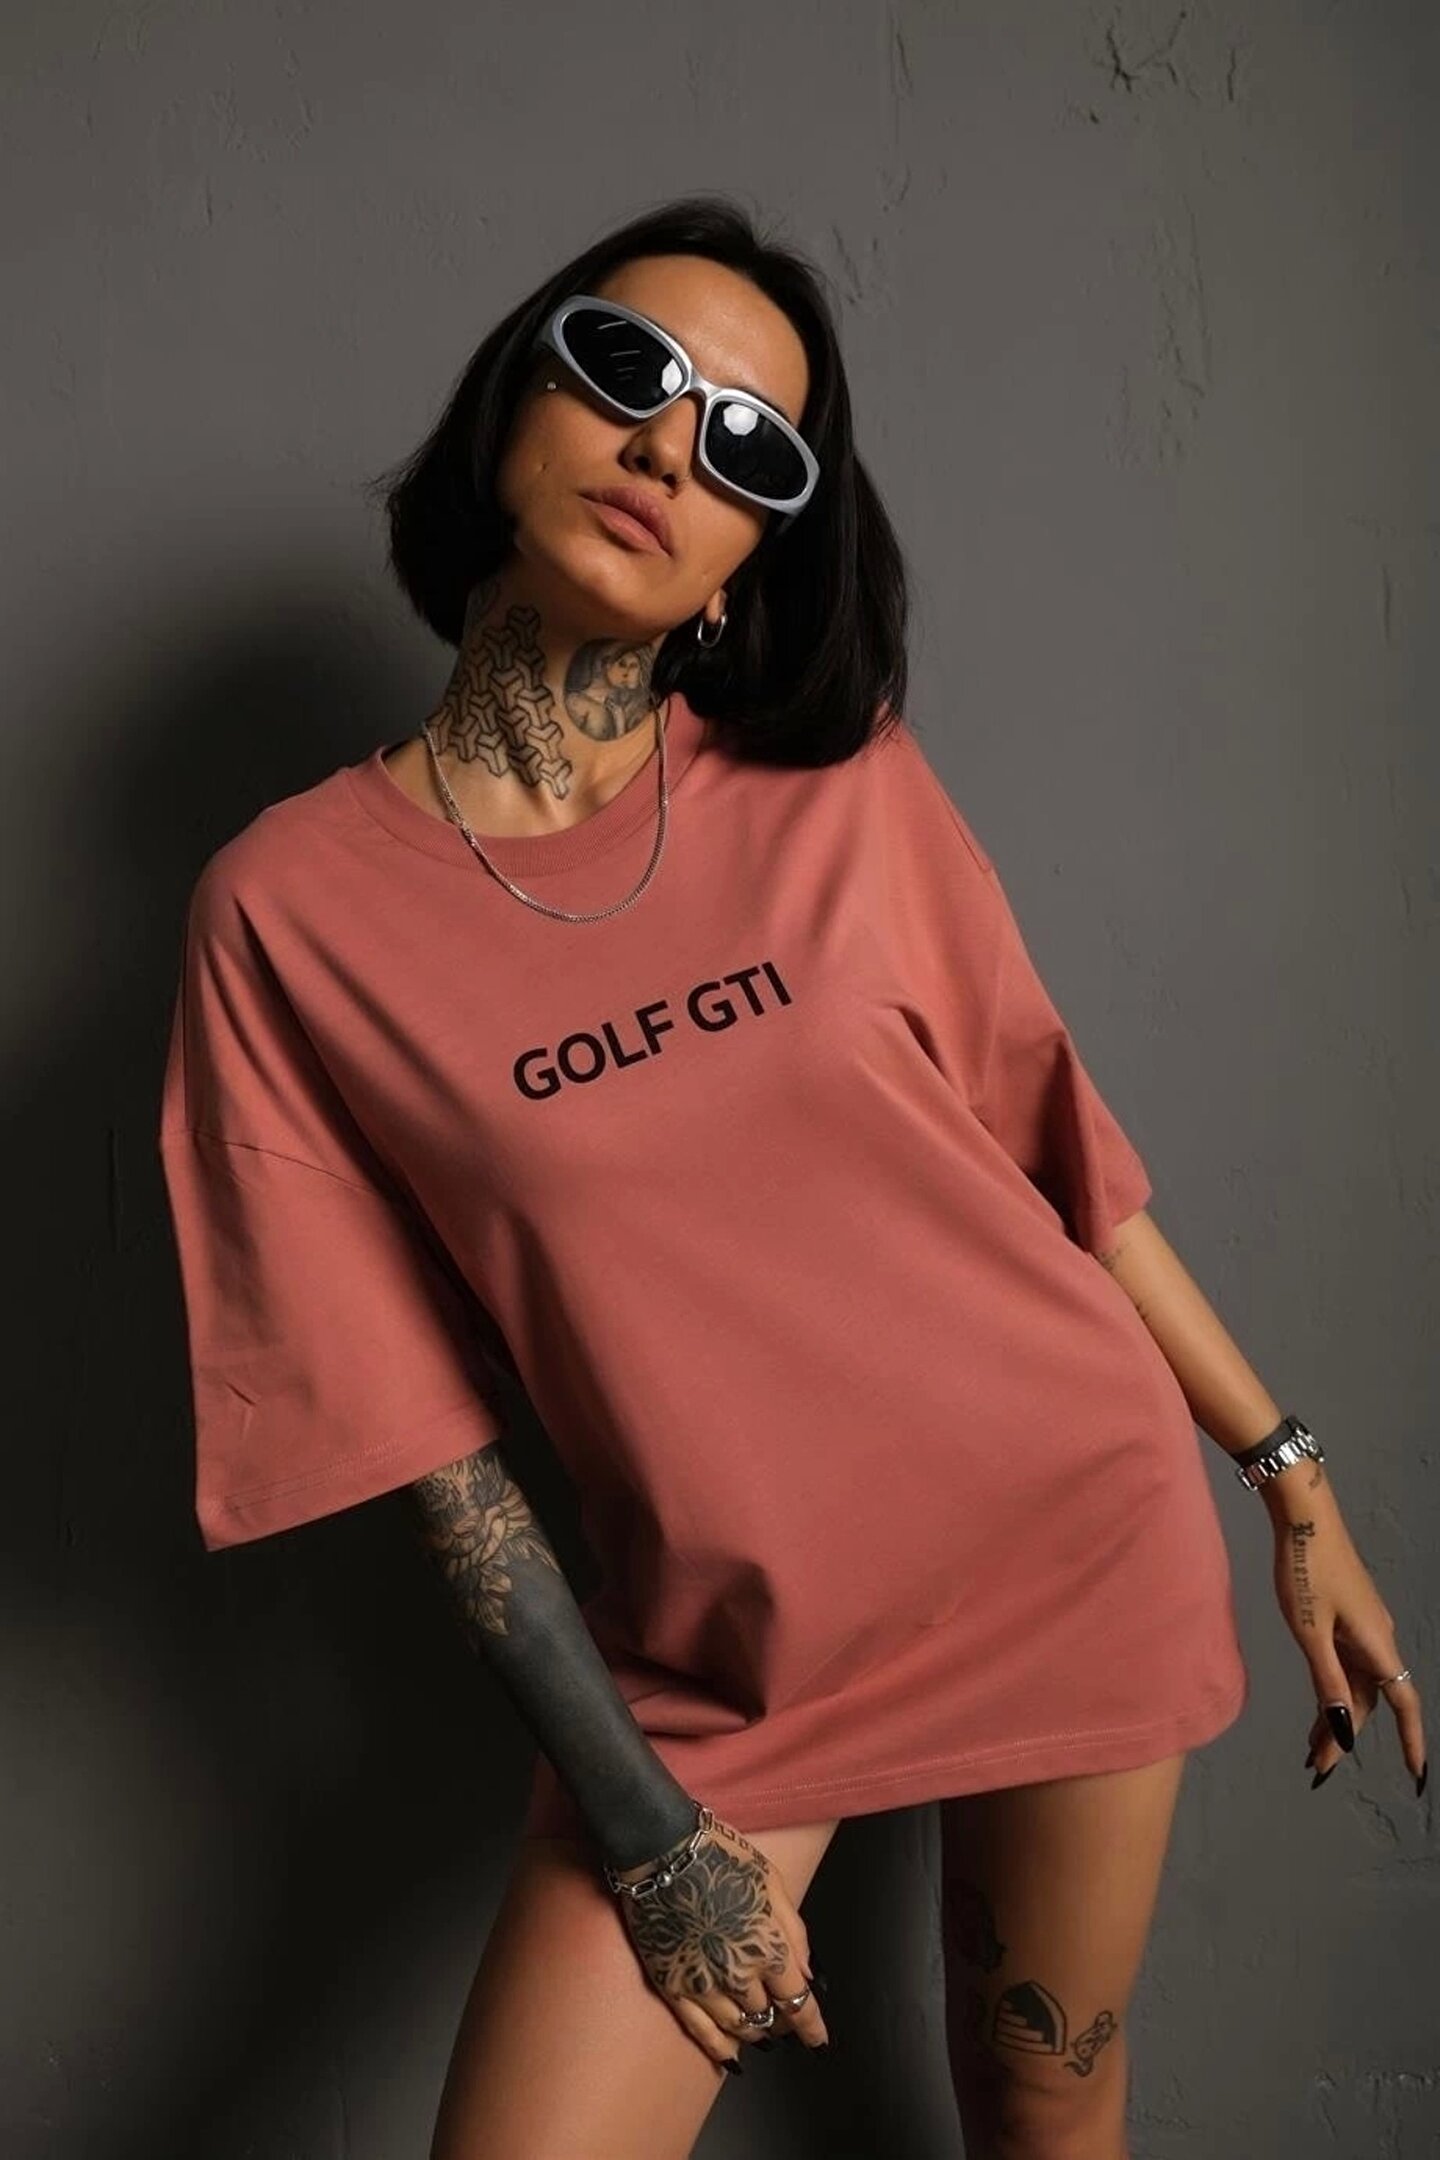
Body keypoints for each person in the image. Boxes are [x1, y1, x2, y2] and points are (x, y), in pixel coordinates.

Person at [156, 193, 1427, 2160]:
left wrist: (1290, 1475)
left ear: (753, 555)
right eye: (628, 370)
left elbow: (1058, 1153)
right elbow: (413, 1437)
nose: (672, 449)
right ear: (512, 406)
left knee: (1043, 2109)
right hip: (727, 1657)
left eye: (749, 444)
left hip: (1069, 1534)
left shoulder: (842, 787)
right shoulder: (290, 912)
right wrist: (648, 1827)